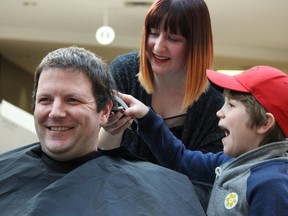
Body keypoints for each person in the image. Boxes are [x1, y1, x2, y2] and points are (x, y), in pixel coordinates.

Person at [0, 46, 206, 216]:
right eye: (45, 100)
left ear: (105, 111)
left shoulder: (161, 192)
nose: (55, 113)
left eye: (72, 100)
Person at [99, 0, 224, 206]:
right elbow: (102, 158)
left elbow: (203, 186)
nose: (158, 46)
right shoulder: (124, 71)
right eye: (154, 33)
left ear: (195, 44)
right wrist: (112, 130)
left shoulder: (215, 102)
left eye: (173, 38)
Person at [118, 65, 288, 215]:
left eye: (231, 105)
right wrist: (147, 117)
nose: (219, 113)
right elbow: (180, 159)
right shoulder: (229, 162)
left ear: (264, 123)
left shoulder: (271, 185)